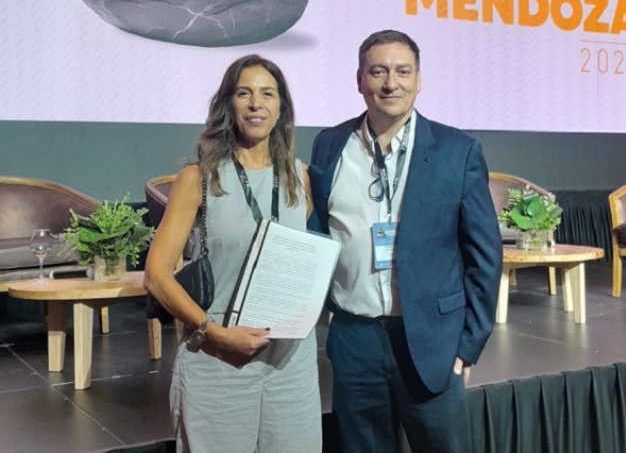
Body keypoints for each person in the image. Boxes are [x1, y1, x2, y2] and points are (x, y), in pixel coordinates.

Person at [308, 30, 503, 452]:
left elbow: (485, 255)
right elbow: (318, 230)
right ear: (359, 79)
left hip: (431, 342)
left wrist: (470, 342)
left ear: (418, 79)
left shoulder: (457, 151)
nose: (390, 83)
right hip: (354, 338)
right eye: (378, 71)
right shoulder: (329, 145)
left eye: (402, 71)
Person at [144, 55, 321, 453]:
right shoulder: (199, 178)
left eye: (267, 94)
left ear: (281, 107)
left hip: (290, 364)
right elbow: (156, 275)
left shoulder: (301, 177)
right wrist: (216, 334)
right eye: (244, 93)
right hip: (218, 357)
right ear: (229, 104)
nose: (256, 103)